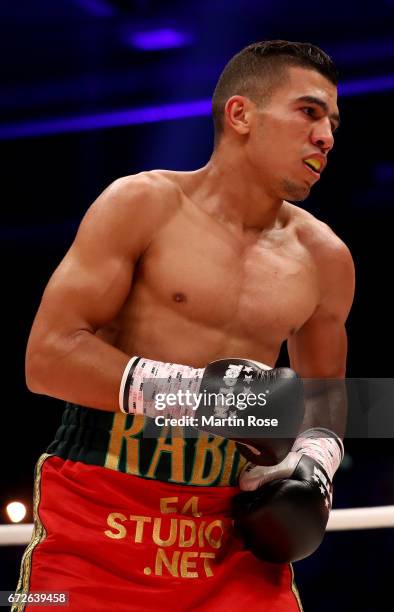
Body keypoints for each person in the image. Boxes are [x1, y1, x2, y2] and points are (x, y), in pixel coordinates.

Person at [16, 40, 354, 611]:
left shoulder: (325, 257)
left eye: (332, 123)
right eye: (309, 111)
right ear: (241, 114)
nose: (325, 136)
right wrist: (204, 397)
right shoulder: (142, 204)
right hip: (101, 514)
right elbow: (46, 358)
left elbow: (325, 398)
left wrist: (312, 462)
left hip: (229, 537)